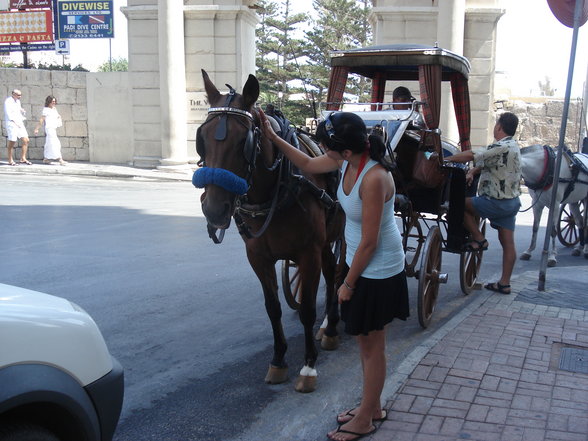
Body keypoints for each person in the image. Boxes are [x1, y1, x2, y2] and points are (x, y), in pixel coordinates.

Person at [259, 110, 409, 441]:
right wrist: (274, 138)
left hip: (376, 271)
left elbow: (370, 243)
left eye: (327, 146)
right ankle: (373, 406)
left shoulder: (374, 178)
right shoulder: (348, 163)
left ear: (344, 151)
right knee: (368, 345)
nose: (322, 151)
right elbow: (309, 165)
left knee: (372, 348)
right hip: (364, 265)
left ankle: (366, 419)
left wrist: (347, 283)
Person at [445, 112, 522, 295]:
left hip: (495, 202)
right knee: (508, 244)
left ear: (499, 127)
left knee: (458, 205)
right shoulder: (512, 146)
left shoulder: (501, 146)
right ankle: (504, 284)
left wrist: (445, 159)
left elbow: (473, 154)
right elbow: (489, 160)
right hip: (511, 203)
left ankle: (479, 238)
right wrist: (473, 171)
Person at [34, 95, 66, 165]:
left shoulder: (54, 109)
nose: (53, 103)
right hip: (49, 128)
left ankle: (46, 159)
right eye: (52, 101)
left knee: (49, 143)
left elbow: (57, 116)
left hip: (53, 128)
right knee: (56, 143)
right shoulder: (46, 109)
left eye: (54, 101)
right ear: (49, 102)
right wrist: (37, 128)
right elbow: (42, 119)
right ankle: (60, 159)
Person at [3, 89, 31, 165]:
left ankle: (23, 158)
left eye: (20, 95)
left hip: (19, 122)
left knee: (26, 140)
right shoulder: (8, 101)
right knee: (12, 141)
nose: (20, 96)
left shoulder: (18, 101)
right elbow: (9, 114)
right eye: (18, 95)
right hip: (12, 123)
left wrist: (22, 110)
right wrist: (15, 123)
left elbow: (18, 109)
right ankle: (10, 160)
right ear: (13, 94)